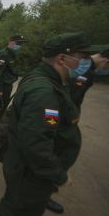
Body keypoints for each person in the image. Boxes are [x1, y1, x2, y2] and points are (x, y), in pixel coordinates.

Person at [0, 33, 99, 216]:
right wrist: (59, 174)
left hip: (32, 170)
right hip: (30, 172)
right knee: (17, 209)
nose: (86, 63)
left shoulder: (47, 79)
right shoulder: (43, 92)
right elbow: (36, 144)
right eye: (82, 58)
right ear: (62, 58)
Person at [46, 46, 108, 214]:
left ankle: (47, 186)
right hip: (63, 117)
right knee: (59, 152)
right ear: (106, 61)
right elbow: (68, 96)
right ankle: (44, 190)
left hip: (67, 116)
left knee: (64, 150)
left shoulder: (87, 69)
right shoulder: (83, 71)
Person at [0, 35, 27, 108]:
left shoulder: (12, 54)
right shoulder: (3, 54)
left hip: (7, 84)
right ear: (11, 42)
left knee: (3, 106)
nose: (19, 45)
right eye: (18, 43)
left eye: (21, 44)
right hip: (2, 86)